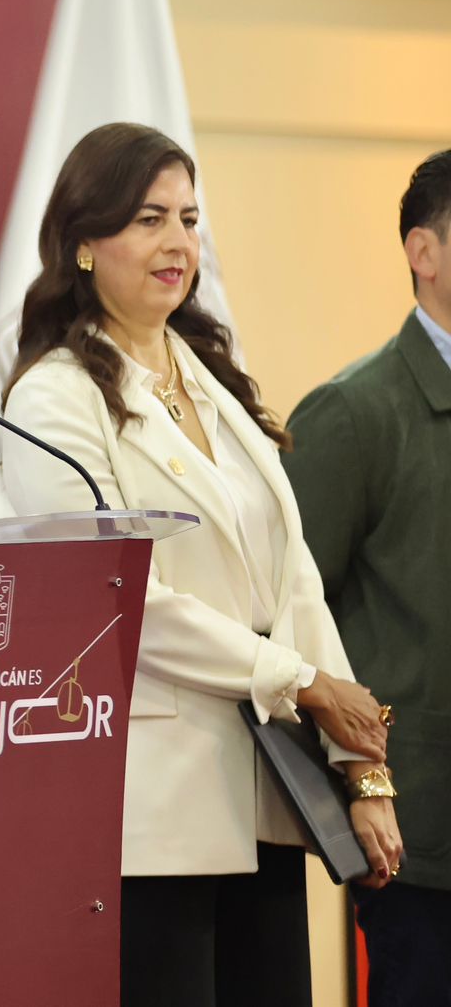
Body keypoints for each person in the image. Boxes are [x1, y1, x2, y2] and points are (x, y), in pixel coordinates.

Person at [0, 122, 403, 1007]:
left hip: (266, 792)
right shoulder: (53, 397)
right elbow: (117, 599)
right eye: (148, 219)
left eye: (188, 218)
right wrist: (297, 681)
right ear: (83, 244)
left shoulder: (211, 376)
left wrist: (359, 768)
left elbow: (294, 580)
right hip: (151, 810)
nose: (178, 242)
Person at [282, 148, 451, 1006]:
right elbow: (294, 620)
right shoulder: (353, 412)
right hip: (423, 835)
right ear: (425, 252)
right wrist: (364, 783)